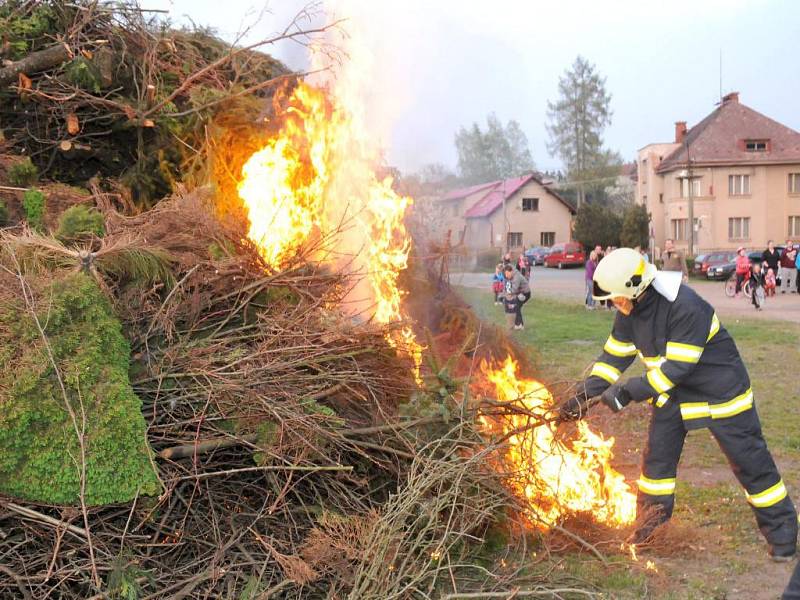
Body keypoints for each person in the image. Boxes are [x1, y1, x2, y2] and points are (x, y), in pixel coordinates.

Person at [559, 248, 797, 555]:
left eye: (617, 297)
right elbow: (612, 358)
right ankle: (649, 533)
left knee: (751, 464)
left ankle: (783, 537)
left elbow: (676, 368)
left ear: (636, 287)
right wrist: (583, 395)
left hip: (720, 394)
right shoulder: (629, 312)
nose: (615, 304)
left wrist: (628, 392)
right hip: (673, 396)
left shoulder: (686, 306)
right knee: (655, 468)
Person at [503, 264, 531, 331]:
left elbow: (513, 290)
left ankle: (520, 325)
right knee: (515, 306)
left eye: (507, 274)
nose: (506, 276)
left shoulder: (516, 277)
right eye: (505, 274)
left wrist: (508, 292)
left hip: (525, 293)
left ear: (511, 271)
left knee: (516, 305)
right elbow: (507, 287)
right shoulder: (510, 276)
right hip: (518, 293)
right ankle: (517, 324)